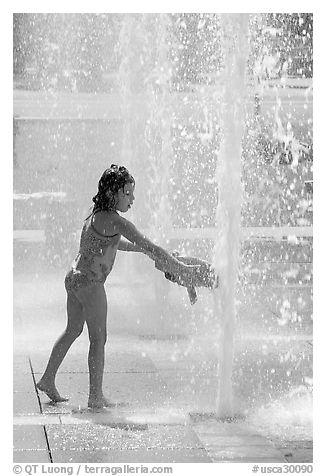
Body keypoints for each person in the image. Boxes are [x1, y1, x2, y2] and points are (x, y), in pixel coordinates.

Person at [36, 164, 203, 409]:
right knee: (98, 338)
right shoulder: (116, 220)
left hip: (73, 279)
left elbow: (115, 244)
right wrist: (181, 268)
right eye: (128, 193)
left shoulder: (96, 215)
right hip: (91, 284)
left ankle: (48, 378)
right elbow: (152, 247)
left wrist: (140, 250)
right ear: (113, 193)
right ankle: (95, 396)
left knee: (73, 330)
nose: (132, 198)